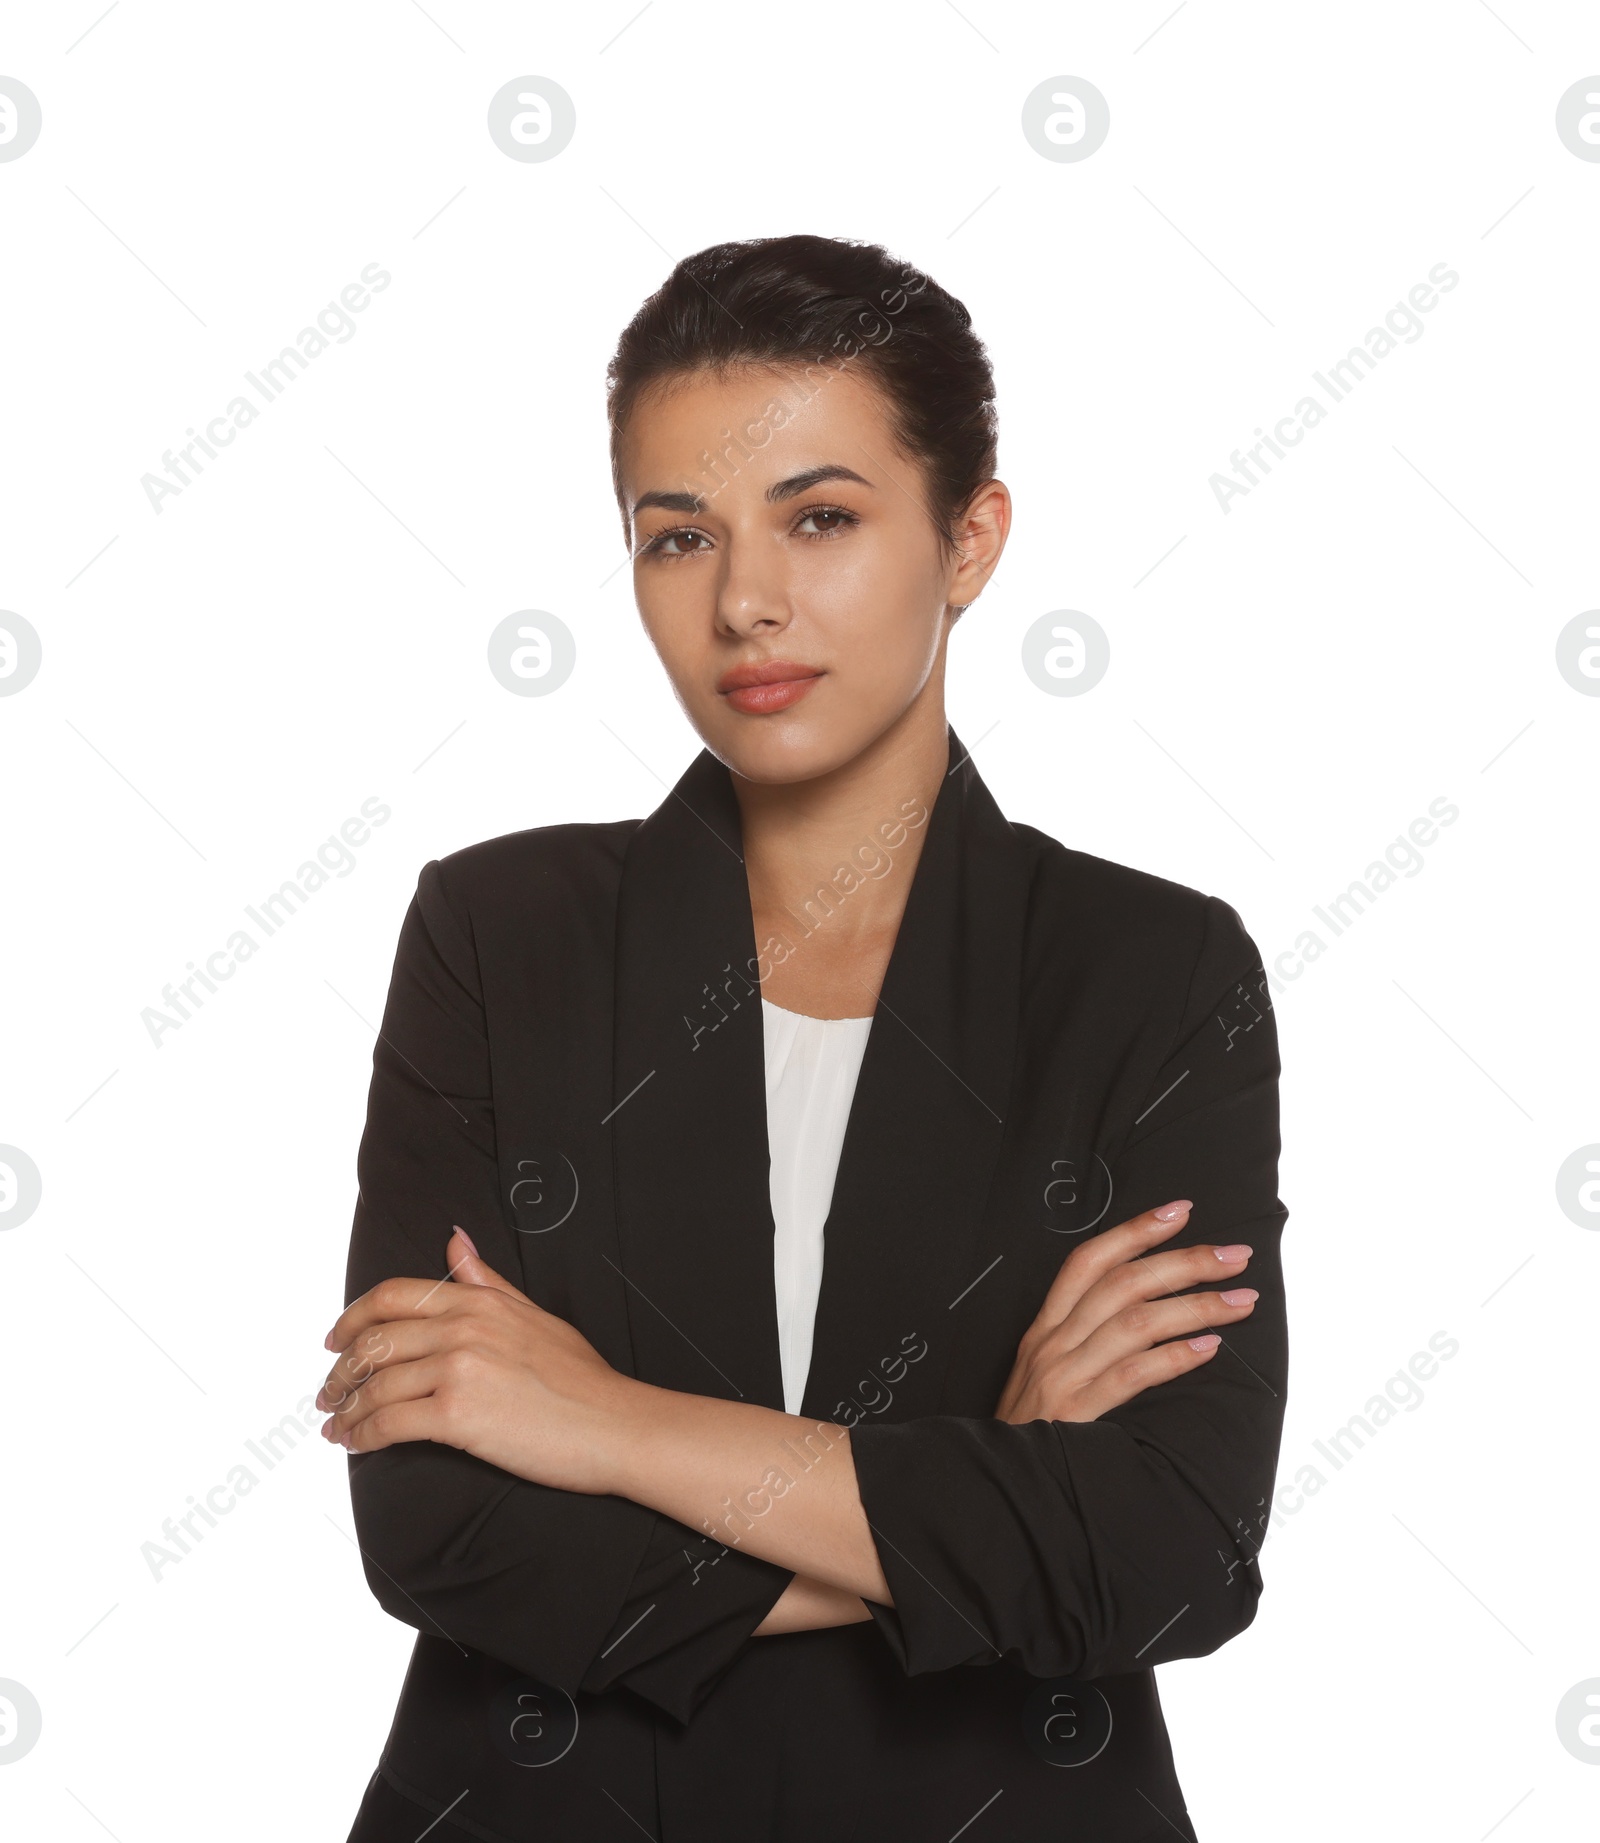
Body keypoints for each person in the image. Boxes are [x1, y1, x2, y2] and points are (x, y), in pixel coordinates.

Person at [324, 234, 1288, 1842]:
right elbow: (439, 1526)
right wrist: (983, 1482)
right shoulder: (501, 935)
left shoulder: (1150, 968)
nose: (745, 601)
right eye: (676, 535)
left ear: (969, 537)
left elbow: (1167, 1551)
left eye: (821, 518)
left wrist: (603, 1424)